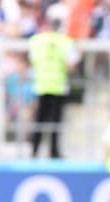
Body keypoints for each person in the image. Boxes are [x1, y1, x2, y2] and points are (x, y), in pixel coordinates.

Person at [28, 15, 78, 159]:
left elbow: (32, 60)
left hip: (41, 85)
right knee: (56, 122)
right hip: (58, 86)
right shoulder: (65, 41)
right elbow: (71, 65)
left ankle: (34, 150)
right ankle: (54, 151)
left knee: (39, 120)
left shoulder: (37, 40)